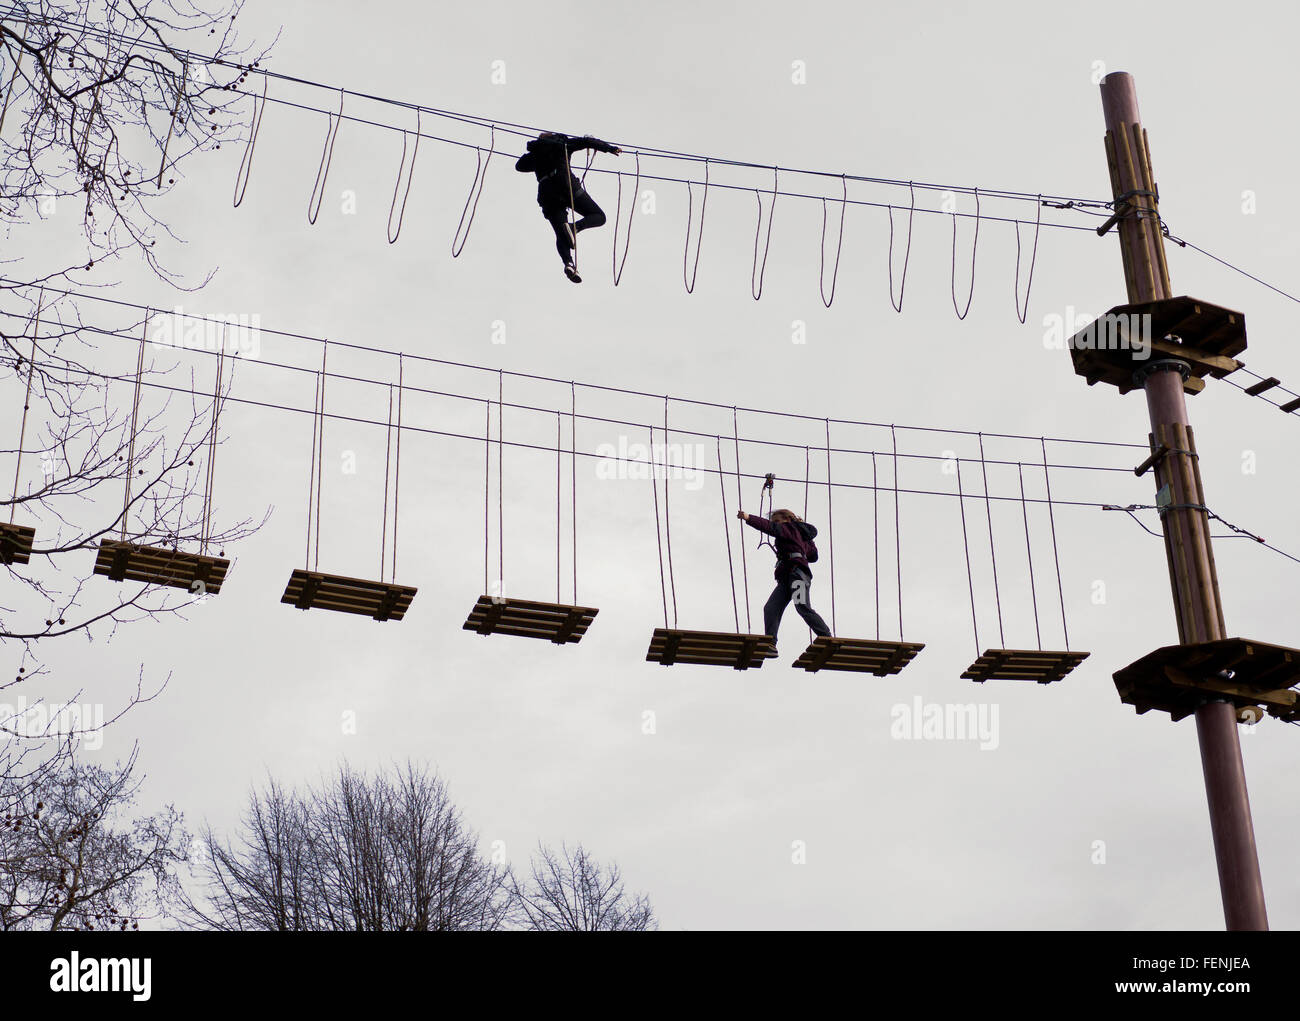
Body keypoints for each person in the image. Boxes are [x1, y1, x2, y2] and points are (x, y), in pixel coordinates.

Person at [515, 131, 622, 283]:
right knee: (599, 216)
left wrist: (537, 154)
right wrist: (610, 148)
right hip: (567, 186)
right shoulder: (563, 143)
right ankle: (574, 228)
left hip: (547, 193)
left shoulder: (536, 153)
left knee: (560, 232)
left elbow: (519, 166)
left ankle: (568, 263)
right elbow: (586, 141)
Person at [736, 507, 832, 651]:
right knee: (771, 608)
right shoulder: (798, 534)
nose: (776, 524)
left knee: (802, 606)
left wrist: (748, 517)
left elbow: (770, 527)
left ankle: (826, 636)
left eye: (777, 521)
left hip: (797, 575)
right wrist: (805, 540)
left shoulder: (789, 528)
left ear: (787, 520)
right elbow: (813, 556)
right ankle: (770, 643)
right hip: (787, 578)